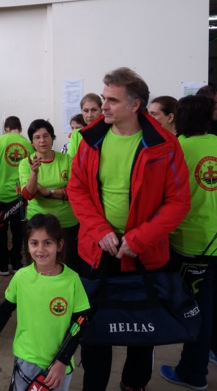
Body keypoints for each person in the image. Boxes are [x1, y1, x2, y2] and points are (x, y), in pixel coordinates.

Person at [68, 67, 191, 391]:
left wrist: (139, 239)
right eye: (104, 97)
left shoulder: (164, 145)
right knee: (93, 329)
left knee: (144, 328)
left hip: (144, 254)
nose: (103, 106)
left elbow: (178, 202)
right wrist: (99, 230)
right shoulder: (89, 140)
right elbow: (77, 189)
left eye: (112, 100)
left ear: (135, 105)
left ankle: (134, 384)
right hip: (98, 251)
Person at [160, 95, 217, 391]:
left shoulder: (176, 149)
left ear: (179, 118)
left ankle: (193, 372)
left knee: (197, 309)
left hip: (193, 245)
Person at [0, 214, 90, 391]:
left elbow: (81, 322)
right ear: (27, 246)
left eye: (47, 243)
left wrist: (62, 361)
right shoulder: (21, 277)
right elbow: (5, 310)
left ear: (59, 245)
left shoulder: (72, 280)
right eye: (34, 243)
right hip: (26, 359)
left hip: (58, 366)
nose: (40, 249)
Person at [19, 119, 80, 272]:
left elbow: (75, 191)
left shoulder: (66, 160)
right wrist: (34, 173)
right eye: (37, 137)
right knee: (39, 266)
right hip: (38, 224)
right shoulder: (26, 163)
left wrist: (48, 192)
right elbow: (28, 194)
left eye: (46, 136)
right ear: (32, 142)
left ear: (52, 138)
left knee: (68, 266)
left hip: (66, 222)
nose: (42, 140)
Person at [0, 116, 34, 275]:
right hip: (20, 194)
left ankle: (2, 264)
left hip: (1, 193)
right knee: (18, 231)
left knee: (1, 229)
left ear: (6, 128)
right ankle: (16, 263)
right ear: (20, 128)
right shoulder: (28, 144)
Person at [66, 93, 103, 157]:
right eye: (86, 111)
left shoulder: (109, 131)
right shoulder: (76, 134)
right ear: (82, 112)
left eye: (94, 110)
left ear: (101, 110)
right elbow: (70, 159)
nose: (89, 115)